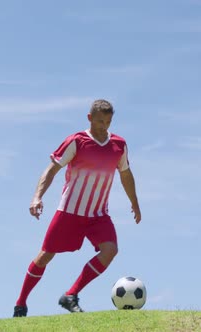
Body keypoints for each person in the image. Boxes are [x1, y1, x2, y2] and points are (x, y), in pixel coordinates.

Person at [13, 99, 142, 317]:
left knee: (110, 250)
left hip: (98, 215)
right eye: (100, 121)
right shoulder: (77, 141)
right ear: (90, 118)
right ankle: (21, 303)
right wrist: (37, 197)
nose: (104, 126)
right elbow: (51, 170)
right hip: (69, 212)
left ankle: (70, 295)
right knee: (46, 255)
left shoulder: (119, 145)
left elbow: (126, 174)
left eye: (108, 122)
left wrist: (135, 203)